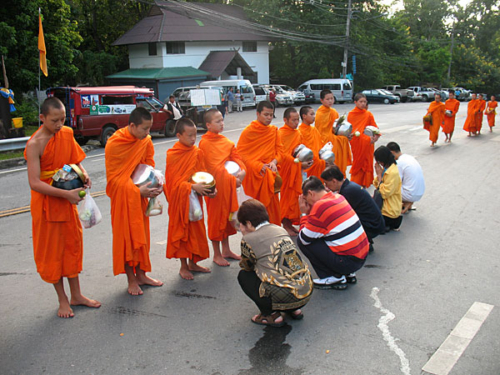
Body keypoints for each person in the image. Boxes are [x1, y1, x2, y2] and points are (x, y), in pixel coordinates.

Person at [24, 97, 100, 318]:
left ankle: (77, 295)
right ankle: (63, 299)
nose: (59, 125)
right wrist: (66, 194)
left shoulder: (65, 134)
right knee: (53, 252)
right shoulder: (35, 144)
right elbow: (35, 183)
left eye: (63, 119)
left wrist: (83, 175)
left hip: (67, 200)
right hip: (47, 203)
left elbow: (75, 161)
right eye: (54, 120)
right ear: (42, 118)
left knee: (71, 247)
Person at [105, 107, 164, 296]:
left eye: (149, 129)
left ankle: (142, 274)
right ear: (132, 125)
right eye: (145, 129)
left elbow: (149, 166)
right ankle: (131, 280)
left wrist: (156, 183)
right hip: (124, 200)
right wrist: (136, 191)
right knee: (126, 240)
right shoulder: (115, 143)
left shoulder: (144, 141)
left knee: (142, 237)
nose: (148, 133)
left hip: (140, 198)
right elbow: (114, 181)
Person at [237, 199, 313, 327]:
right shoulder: (280, 229)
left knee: (244, 276)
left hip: (285, 295)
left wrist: (246, 236)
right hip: (306, 291)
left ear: (249, 223)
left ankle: (271, 315)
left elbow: (247, 265)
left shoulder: (249, 239)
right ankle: (293, 310)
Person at [165, 118, 216, 280]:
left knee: (196, 231)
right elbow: (172, 184)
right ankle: (183, 266)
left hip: (195, 201)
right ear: (179, 135)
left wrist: (210, 190)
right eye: (189, 136)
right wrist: (191, 187)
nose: (193, 139)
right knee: (182, 232)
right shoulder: (173, 155)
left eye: (195, 135)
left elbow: (203, 175)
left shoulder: (197, 152)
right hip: (180, 202)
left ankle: (194, 263)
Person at [298, 177, 369, 289]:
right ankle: (347, 274)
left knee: (303, 241)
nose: (308, 205)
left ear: (311, 194)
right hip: (361, 257)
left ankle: (333, 277)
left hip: (348, 262)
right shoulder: (338, 196)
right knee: (320, 232)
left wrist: (304, 214)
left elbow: (304, 238)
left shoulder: (320, 206)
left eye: (306, 200)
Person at [199, 109, 246, 267]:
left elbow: (236, 157)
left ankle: (226, 250)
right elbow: (213, 168)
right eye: (218, 121)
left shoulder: (225, 141)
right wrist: (233, 180)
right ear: (208, 124)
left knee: (227, 219)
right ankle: (217, 254)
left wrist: (241, 172)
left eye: (222, 120)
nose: (222, 123)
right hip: (215, 190)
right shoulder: (205, 143)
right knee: (216, 221)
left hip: (229, 187)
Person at [237, 101, 284, 225]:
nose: (269, 118)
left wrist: (274, 162)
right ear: (258, 114)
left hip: (270, 176)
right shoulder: (248, 132)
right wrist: (258, 166)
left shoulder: (274, 131)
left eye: (271, 115)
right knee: (255, 211)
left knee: (272, 211)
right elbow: (241, 155)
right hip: (256, 176)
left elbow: (280, 151)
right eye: (266, 114)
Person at [321, 165, 385, 253]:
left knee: (339, 222)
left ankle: (363, 243)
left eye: (326, 183)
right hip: (375, 222)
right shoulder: (348, 186)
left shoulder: (348, 191)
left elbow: (341, 214)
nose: (326, 186)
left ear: (334, 181)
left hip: (372, 225)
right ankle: (365, 240)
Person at [278, 107, 312, 236]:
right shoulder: (280, 134)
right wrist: (297, 163)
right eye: (293, 120)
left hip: (297, 171)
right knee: (287, 200)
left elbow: (300, 150)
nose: (296, 122)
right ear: (285, 120)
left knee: (296, 198)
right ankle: (286, 224)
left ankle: (291, 224)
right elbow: (282, 155)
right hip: (286, 171)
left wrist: (305, 161)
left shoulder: (297, 133)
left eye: (297, 119)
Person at [314, 89, 352, 176]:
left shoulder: (334, 112)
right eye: (327, 99)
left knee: (343, 139)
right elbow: (320, 131)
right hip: (325, 139)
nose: (330, 101)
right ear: (321, 100)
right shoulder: (320, 113)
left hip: (334, 137)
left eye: (332, 98)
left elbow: (337, 128)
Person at [348, 93, 380, 188]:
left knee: (367, 161)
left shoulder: (368, 114)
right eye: (360, 102)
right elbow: (351, 130)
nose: (363, 104)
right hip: (357, 143)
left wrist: (375, 137)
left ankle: (365, 182)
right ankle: (356, 182)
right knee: (358, 162)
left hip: (368, 143)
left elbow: (375, 128)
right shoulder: (351, 114)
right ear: (355, 102)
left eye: (364, 102)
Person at [386, 142, 425, 214]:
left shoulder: (399, 162)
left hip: (410, 194)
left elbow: (395, 182)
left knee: (390, 188)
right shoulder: (408, 157)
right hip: (419, 192)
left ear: (392, 153)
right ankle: (408, 203)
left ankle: (402, 205)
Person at [374, 146, 403, 231]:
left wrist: (379, 175)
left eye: (379, 161)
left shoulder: (392, 172)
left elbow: (384, 193)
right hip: (384, 208)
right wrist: (379, 174)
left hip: (389, 211)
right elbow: (376, 184)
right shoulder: (386, 169)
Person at [298, 106, 328, 179]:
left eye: (314, 114)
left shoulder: (314, 129)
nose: (314, 116)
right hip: (308, 165)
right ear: (304, 116)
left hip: (318, 164)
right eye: (311, 114)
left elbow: (321, 145)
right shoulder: (299, 131)